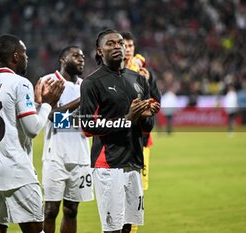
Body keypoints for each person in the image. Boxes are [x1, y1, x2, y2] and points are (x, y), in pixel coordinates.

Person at [0, 34, 64, 233]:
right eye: (25, 54)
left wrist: (38, 104)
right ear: (15, 56)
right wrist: (47, 105)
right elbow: (32, 129)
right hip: (16, 172)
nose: (27, 58)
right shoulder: (20, 83)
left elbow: (11, 119)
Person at [80, 29, 160, 233]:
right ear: (99, 51)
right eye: (110, 44)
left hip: (134, 161)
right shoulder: (92, 83)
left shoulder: (139, 79)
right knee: (113, 229)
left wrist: (147, 116)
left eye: (120, 43)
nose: (117, 46)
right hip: (109, 165)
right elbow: (87, 126)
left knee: (128, 227)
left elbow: (146, 128)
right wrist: (127, 119)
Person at [40, 46, 93, 233]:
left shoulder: (86, 86)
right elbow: (50, 117)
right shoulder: (48, 81)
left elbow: (89, 122)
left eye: (83, 56)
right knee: (50, 210)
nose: (81, 59)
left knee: (71, 210)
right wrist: (80, 102)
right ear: (63, 59)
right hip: (55, 156)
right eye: (76, 56)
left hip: (80, 156)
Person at [121, 31, 161, 233]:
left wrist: (145, 82)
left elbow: (156, 101)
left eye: (131, 46)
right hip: (116, 140)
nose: (128, 49)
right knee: (116, 193)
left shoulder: (144, 72)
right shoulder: (111, 73)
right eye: (124, 45)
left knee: (136, 192)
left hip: (141, 141)